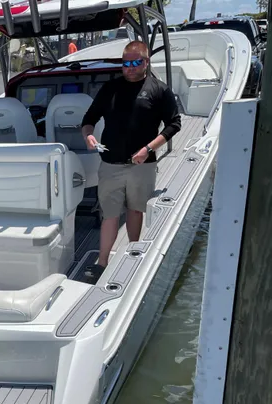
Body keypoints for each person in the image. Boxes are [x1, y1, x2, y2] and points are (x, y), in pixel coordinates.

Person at [79, 40, 181, 284]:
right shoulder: (110, 88)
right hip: (110, 164)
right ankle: (102, 263)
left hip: (141, 165)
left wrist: (148, 149)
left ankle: (132, 257)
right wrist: (88, 136)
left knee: (136, 210)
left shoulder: (159, 90)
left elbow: (174, 123)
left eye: (136, 62)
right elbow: (89, 119)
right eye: (126, 63)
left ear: (146, 62)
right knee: (110, 215)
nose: (130, 67)